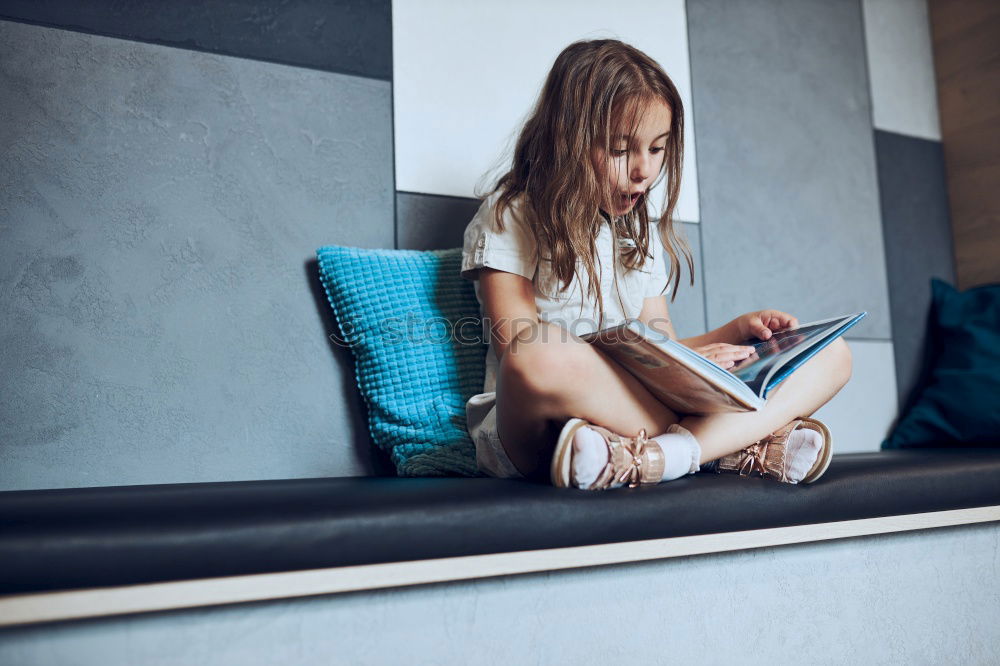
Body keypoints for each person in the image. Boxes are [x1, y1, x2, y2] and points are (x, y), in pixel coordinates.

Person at [459, 39, 852, 490]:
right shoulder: (512, 214)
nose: (644, 170)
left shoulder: (636, 238)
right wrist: (653, 364)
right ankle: (727, 448)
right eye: (622, 149)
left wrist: (734, 335)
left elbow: (660, 343)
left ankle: (663, 456)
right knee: (536, 352)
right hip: (539, 427)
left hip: (637, 418)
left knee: (834, 355)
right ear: (567, 139)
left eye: (657, 149)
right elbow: (515, 343)